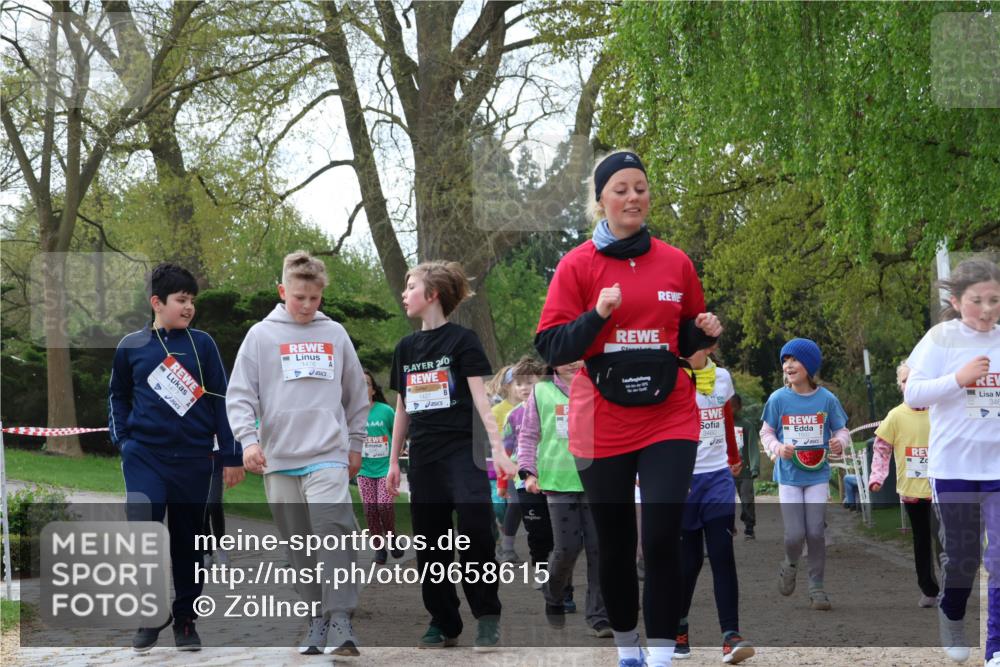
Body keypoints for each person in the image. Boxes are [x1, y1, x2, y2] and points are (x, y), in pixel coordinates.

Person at [534, 150, 722, 667]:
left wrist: (701, 332)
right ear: (601, 200)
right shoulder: (577, 265)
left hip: (669, 413)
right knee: (614, 544)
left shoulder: (675, 261)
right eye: (621, 188)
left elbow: (686, 345)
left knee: (661, 535)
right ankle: (626, 647)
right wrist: (597, 315)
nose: (633, 196)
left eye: (640, 187)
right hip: (601, 419)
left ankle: (661, 653)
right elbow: (551, 347)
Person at [226, 251, 369, 656]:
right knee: (300, 546)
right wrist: (248, 442)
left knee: (333, 533)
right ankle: (316, 621)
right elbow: (240, 396)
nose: (307, 306)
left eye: (315, 299)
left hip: (327, 453)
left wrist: (355, 443)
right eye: (299, 297)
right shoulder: (260, 336)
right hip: (279, 459)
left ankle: (341, 618)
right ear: (282, 290)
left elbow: (356, 395)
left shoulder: (336, 334)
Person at [109, 262, 244, 652]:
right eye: (181, 300)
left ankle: (185, 619)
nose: (189, 307)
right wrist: (124, 440)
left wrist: (230, 455)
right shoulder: (130, 346)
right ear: (156, 302)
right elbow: (118, 393)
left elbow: (222, 399)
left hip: (194, 461)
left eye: (192, 301)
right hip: (144, 457)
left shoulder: (203, 345)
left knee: (189, 542)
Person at [385, 260, 517, 652]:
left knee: (476, 531)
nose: (405, 293)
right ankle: (443, 621)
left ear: (433, 295)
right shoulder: (405, 348)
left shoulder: (463, 341)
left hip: (462, 453)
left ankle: (487, 617)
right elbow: (402, 408)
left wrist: (498, 449)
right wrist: (394, 461)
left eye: (411, 286)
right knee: (429, 543)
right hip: (423, 458)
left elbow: (481, 399)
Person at [903, 258, 1000, 666]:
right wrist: (958, 378)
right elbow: (914, 395)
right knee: (962, 559)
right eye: (977, 300)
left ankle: (995, 647)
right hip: (954, 467)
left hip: (997, 469)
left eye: (995, 300)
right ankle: (952, 612)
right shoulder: (941, 338)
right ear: (957, 301)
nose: (988, 309)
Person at [517, 359, 610, 637]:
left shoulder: (598, 387)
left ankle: (598, 616)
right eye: (564, 358)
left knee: (598, 550)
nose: (571, 363)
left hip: (596, 481)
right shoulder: (541, 391)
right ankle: (553, 594)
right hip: (558, 481)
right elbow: (528, 435)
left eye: (578, 357)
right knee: (567, 548)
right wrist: (528, 472)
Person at [673, 344, 754, 664]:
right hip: (683, 481)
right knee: (689, 562)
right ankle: (679, 628)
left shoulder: (722, 377)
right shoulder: (672, 378)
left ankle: (730, 635)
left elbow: (725, 415)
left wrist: (733, 459)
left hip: (717, 477)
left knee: (722, 555)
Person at [760, 338, 850, 611]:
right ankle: (789, 563)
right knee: (794, 535)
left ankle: (817, 587)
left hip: (817, 474)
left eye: (794, 360)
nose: (788, 365)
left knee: (815, 532)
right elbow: (766, 432)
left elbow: (842, 430)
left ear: (809, 366)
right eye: (785, 361)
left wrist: (840, 442)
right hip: (788, 474)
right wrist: (777, 448)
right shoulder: (778, 399)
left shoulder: (826, 399)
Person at [869, 362, 939, 608]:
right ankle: (929, 589)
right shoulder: (896, 416)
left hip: (941, 488)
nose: (910, 384)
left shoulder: (939, 411)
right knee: (921, 540)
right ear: (900, 386)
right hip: (912, 491)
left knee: (944, 540)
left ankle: (953, 588)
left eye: (915, 379)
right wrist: (877, 477)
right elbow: (881, 448)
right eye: (905, 381)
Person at [498, 356, 548, 569]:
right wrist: (502, 483)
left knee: (553, 528)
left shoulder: (551, 408)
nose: (525, 388)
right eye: (519, 383)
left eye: (530, 382)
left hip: (552, 476)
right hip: (523, 479)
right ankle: (540, 567)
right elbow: (506, 450)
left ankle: (555, 566)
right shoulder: (513, 415)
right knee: (535, 528)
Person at [358, 369, 404, 565]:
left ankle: (392, 536)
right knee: (370, 509)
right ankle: (379, 547)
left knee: (384, 505)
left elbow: (400, 433)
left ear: (373, 390)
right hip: (364, 470)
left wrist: (398, 452)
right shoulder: (351, 414)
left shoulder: (385, 411)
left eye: (366, 384)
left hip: (385, 468)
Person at [732, 394, 760, 539]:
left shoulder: (746, 425)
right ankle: (729, 525)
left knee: (747, 499)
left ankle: (749, 527)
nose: (731, 409)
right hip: (725, 471)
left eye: (734, 406)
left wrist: (754, 467)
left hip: (745, 470)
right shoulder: (718, 426)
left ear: (739, 407)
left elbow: (753, 447)